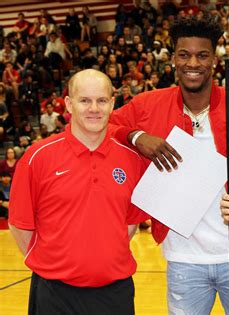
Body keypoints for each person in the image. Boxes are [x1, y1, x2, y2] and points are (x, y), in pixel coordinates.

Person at [109, 15, 229, 314]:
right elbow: (107, 125)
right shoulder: (148, 105)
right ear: (173, 59)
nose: (193, 63)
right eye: (184, 54)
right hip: (183, 259)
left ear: (214, 59)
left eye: (202, 55)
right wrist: (137, 136)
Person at [8, 69, 148, 314]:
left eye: (101, 100)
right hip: (54, 294)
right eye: (85, 100)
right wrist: (56, 264)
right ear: (70, 105)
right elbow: (19, 226)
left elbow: (129, 225)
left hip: (114, 293)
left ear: (112, 103)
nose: (94, 108)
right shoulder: (37, 157)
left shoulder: (131, 160)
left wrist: (99, 258)